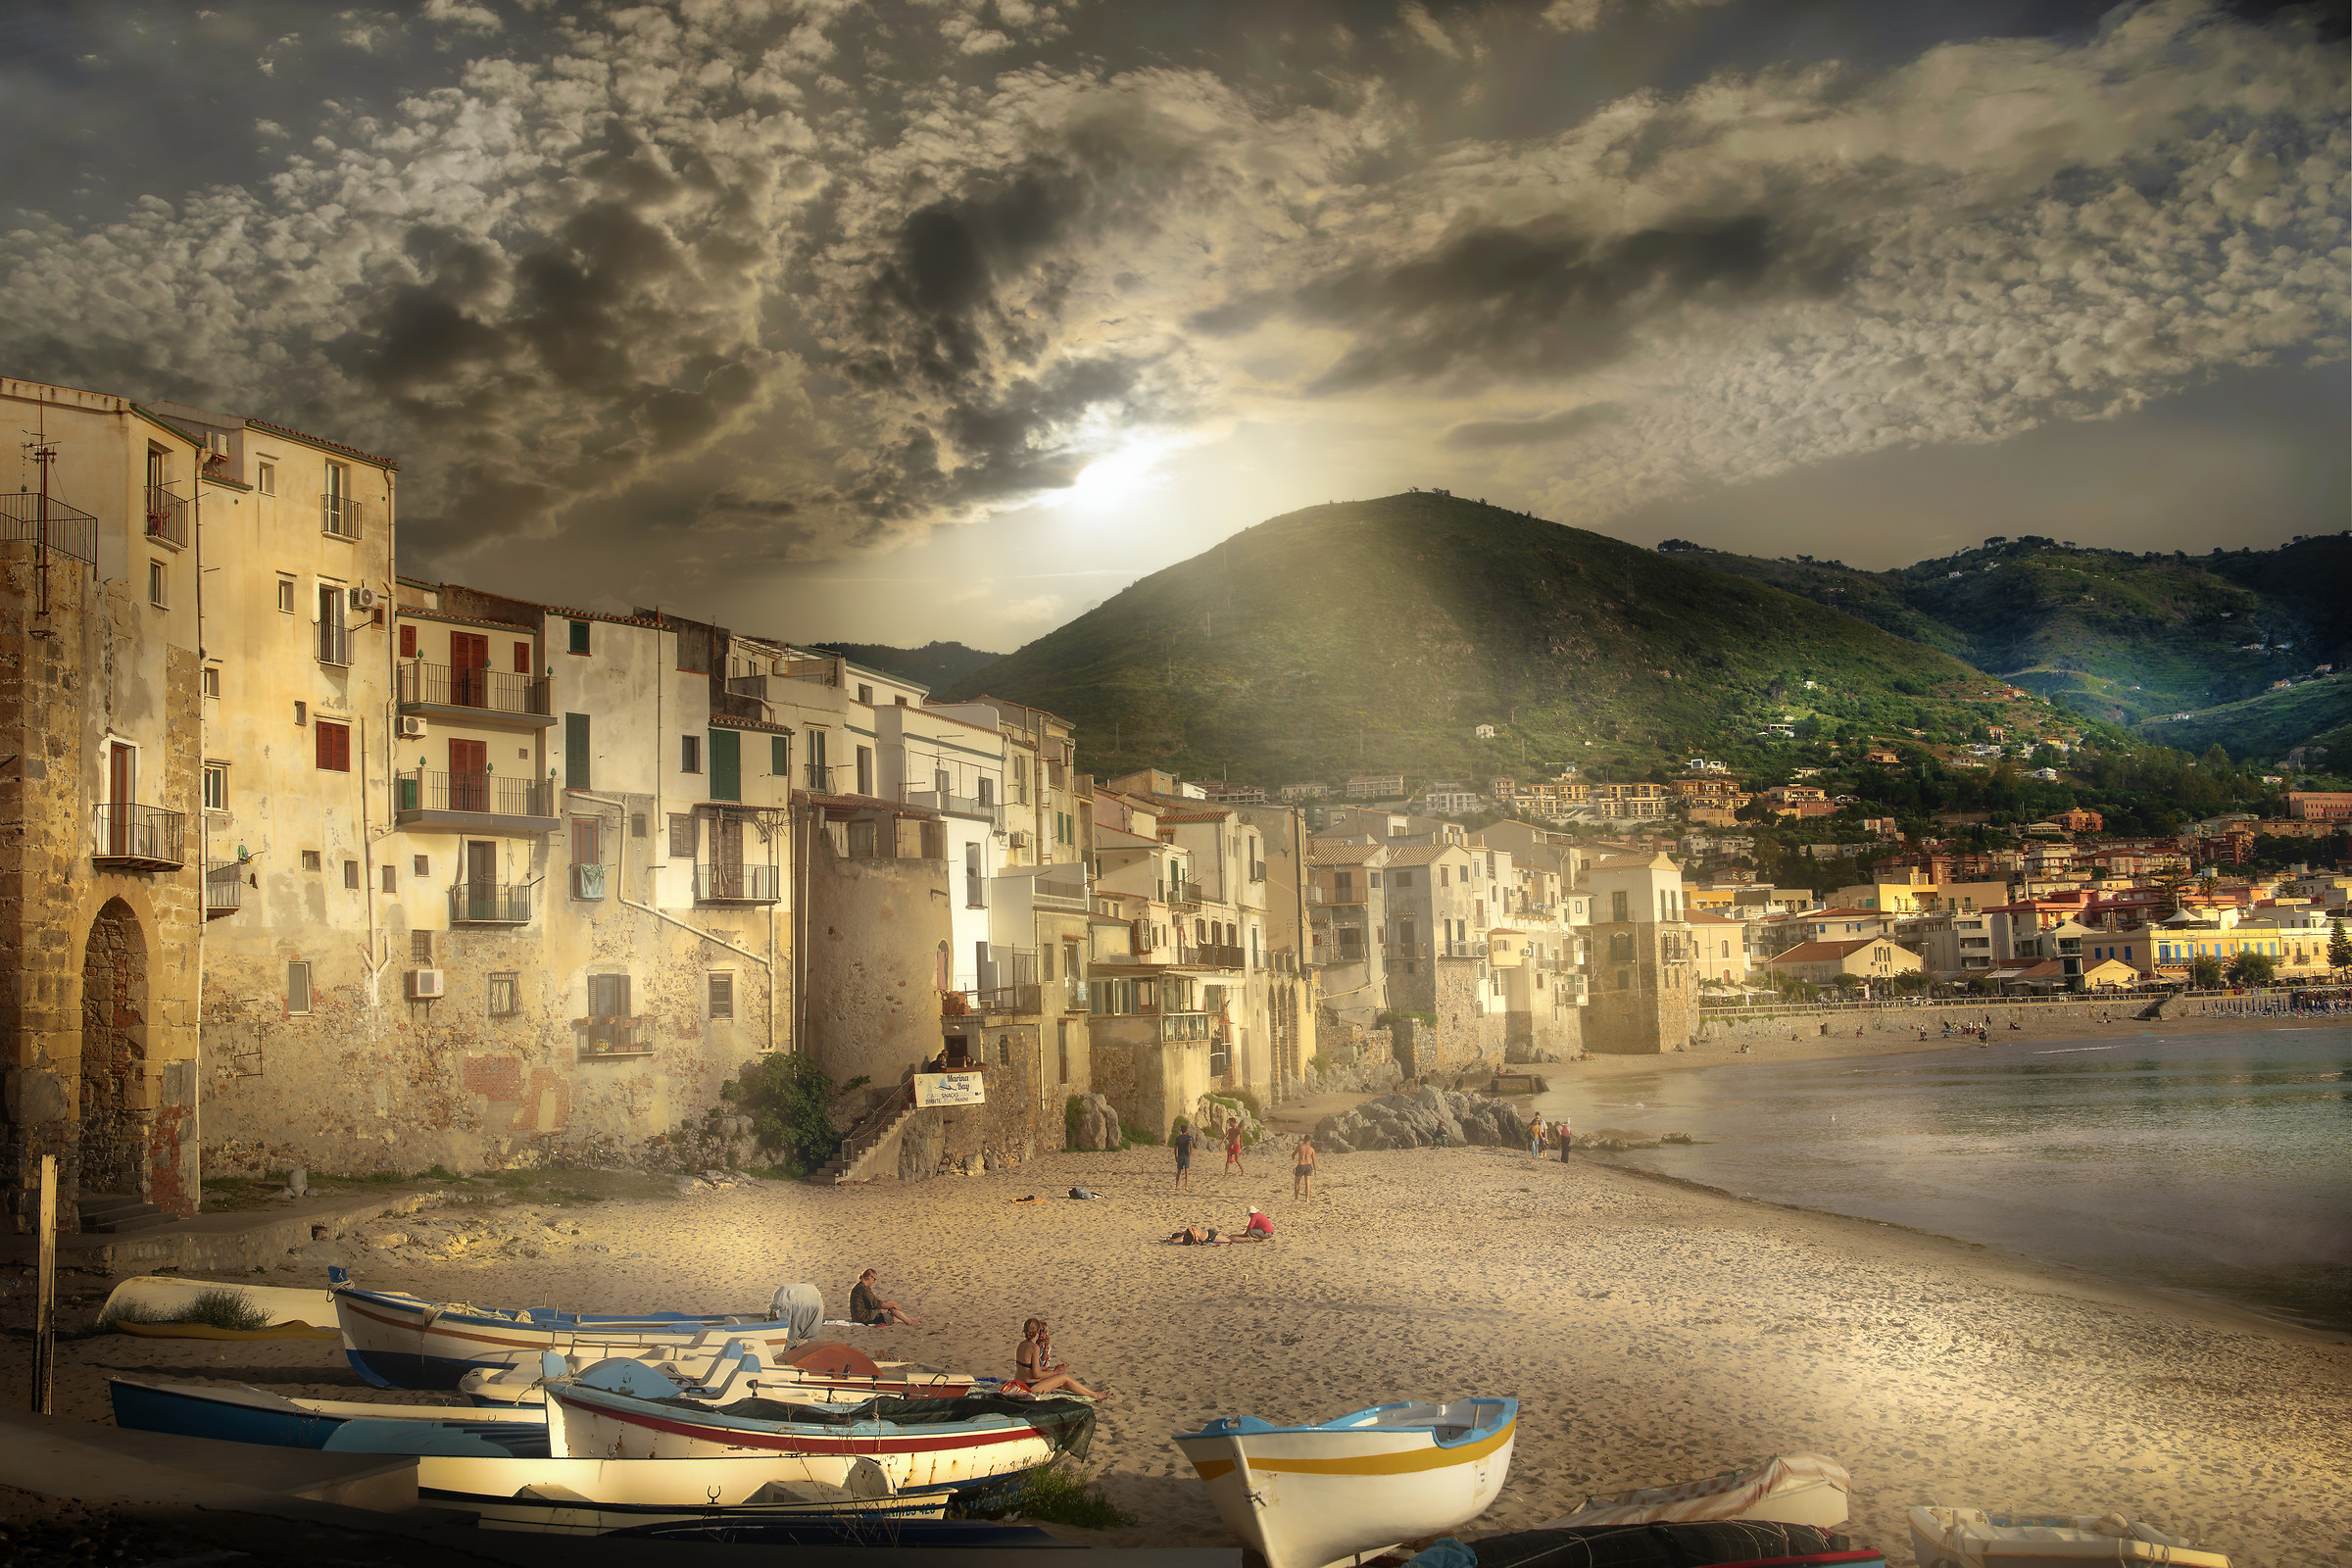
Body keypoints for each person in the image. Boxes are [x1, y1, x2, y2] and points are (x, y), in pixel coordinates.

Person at [1012, 1318, 1102, 1398]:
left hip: (1020, 1384)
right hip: (1030, 1387)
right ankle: (1095, 1395)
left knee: (1058, 1381)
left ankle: (1082, 1391)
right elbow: (1036, 1374)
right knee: (1064, 1377)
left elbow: (1026, 1369)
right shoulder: (1034, 1347)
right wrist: (1055, 1372)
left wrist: (1043, 1369)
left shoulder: (1021, 1344)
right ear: (1038, 1331)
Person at [848, 1268, 921, 1326]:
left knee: (890, 1302)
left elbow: (873, 1303)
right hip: (862, 1317)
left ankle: (908, 1319)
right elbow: (875, 1303)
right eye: (874, 1279)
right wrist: (893, 1305)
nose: (874, 1281)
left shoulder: (861, 1286)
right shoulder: (863, 1288)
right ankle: (909, 1322)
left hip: (860, 1314)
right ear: (870, 1277)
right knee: (891, 1306)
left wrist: (891, 1304)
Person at [1172, 1119, 1195, 1189]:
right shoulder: (1189, 1137)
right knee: (1186, 1170)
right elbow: (1191, 1146)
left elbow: (1175, 1148)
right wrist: (1190, 1153)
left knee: (1179, 1170)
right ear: (1186, 1130)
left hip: (1180, 1155)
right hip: (1186, 1155)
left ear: (1181, 1130)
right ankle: (1186, 1185)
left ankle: (1177, 1185)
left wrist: (1175, 1156)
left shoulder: (1178, 1138)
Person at [1294, 1133, 1316, 1200]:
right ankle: (1307, 1199)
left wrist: (1293, 1159)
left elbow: (1293, 1154)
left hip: (1301, 1165)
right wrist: (1315, 1170)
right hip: (1308, 1166)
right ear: (1309, 1141)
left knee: (1297, 1182)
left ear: (1304, 1139)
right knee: (1307, 1183)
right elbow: (1314, 1161)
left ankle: (1296, 1197)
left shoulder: (1299, 1147)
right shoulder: (1311, 1149)